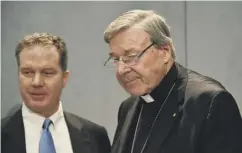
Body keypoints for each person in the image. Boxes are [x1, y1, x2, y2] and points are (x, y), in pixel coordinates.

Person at [103, 9, 242, 153]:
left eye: (131, 56)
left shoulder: (209, 102)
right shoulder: (127, 107)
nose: (121, 70)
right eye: (116, 59)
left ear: (165, 52)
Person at [1, 32, 111, 153]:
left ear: (64, 78)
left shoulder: (95, 136)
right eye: (27, 72)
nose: (36, 82)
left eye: (47, 73)